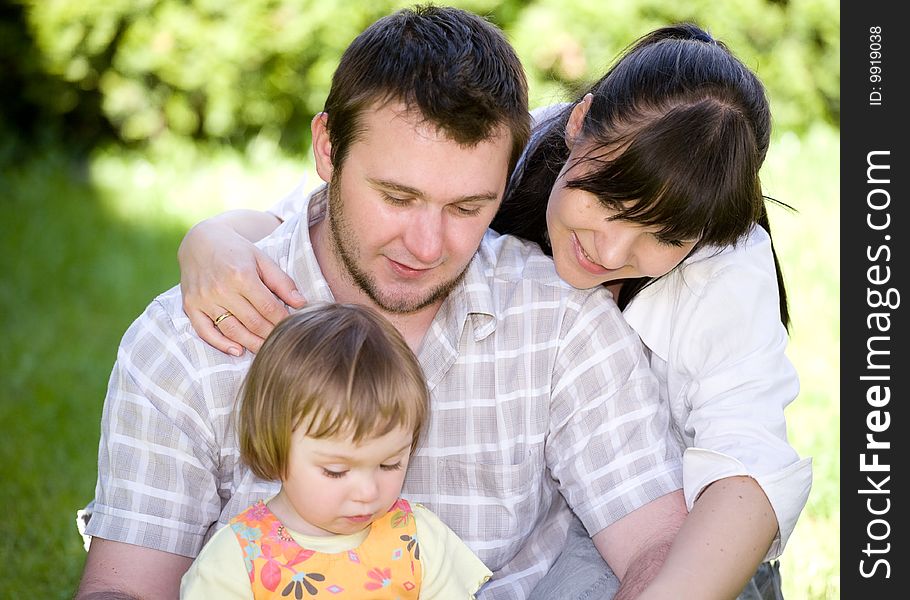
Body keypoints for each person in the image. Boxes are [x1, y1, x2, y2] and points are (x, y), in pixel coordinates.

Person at [176, 23, 812, 600]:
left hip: (694, 536)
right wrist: (211, 238)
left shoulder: (727, 264)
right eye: (607, 199)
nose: (612, 249)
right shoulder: (506, 154)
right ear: (580, 122)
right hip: (564, 503)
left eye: (663, 238)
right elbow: (324, 208)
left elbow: (749, 467)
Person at [76, 6, 687, 600]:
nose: (427, 245)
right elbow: (125, 586)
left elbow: (655, 546)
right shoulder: (188, 339)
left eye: (467, 208)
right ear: (327, 149)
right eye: (397, 197)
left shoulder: (559, 321)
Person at [179, 302, 492, 599]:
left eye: (389, 464)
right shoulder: (237, 561)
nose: (368, 492)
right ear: (274, 446)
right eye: (336, 471)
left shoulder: (418, 540)